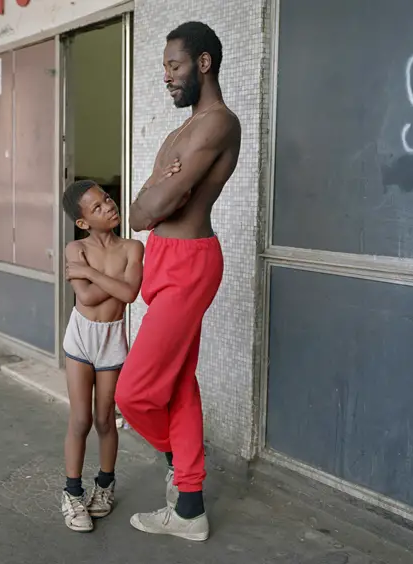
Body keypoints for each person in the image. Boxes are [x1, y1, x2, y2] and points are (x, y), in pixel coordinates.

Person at [115, 21, 241, 542]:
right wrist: (152, 196)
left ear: (203, 64)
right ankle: (189, 508)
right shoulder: (176, 133)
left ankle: (179, 463)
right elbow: (139, 203)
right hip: (163, 259)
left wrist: (157, 195)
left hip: (189, 261)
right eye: (164, 67)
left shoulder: (218, 125)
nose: (166, 76)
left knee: (134, 392)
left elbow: (152, 207)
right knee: (179, 384)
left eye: (175, 65)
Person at [61, 179, 144, 532]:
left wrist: (91, 274)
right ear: (83, 223)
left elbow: (128, 294)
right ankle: (72, 493)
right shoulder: (74, 249)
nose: (108, 207)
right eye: (96, 207)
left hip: (112, 340)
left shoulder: (132, 247)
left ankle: (105, 486)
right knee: (80, 421)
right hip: (81, 338)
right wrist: (101, 282)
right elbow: (88, 299)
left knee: (105, 420)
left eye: (107, 199)